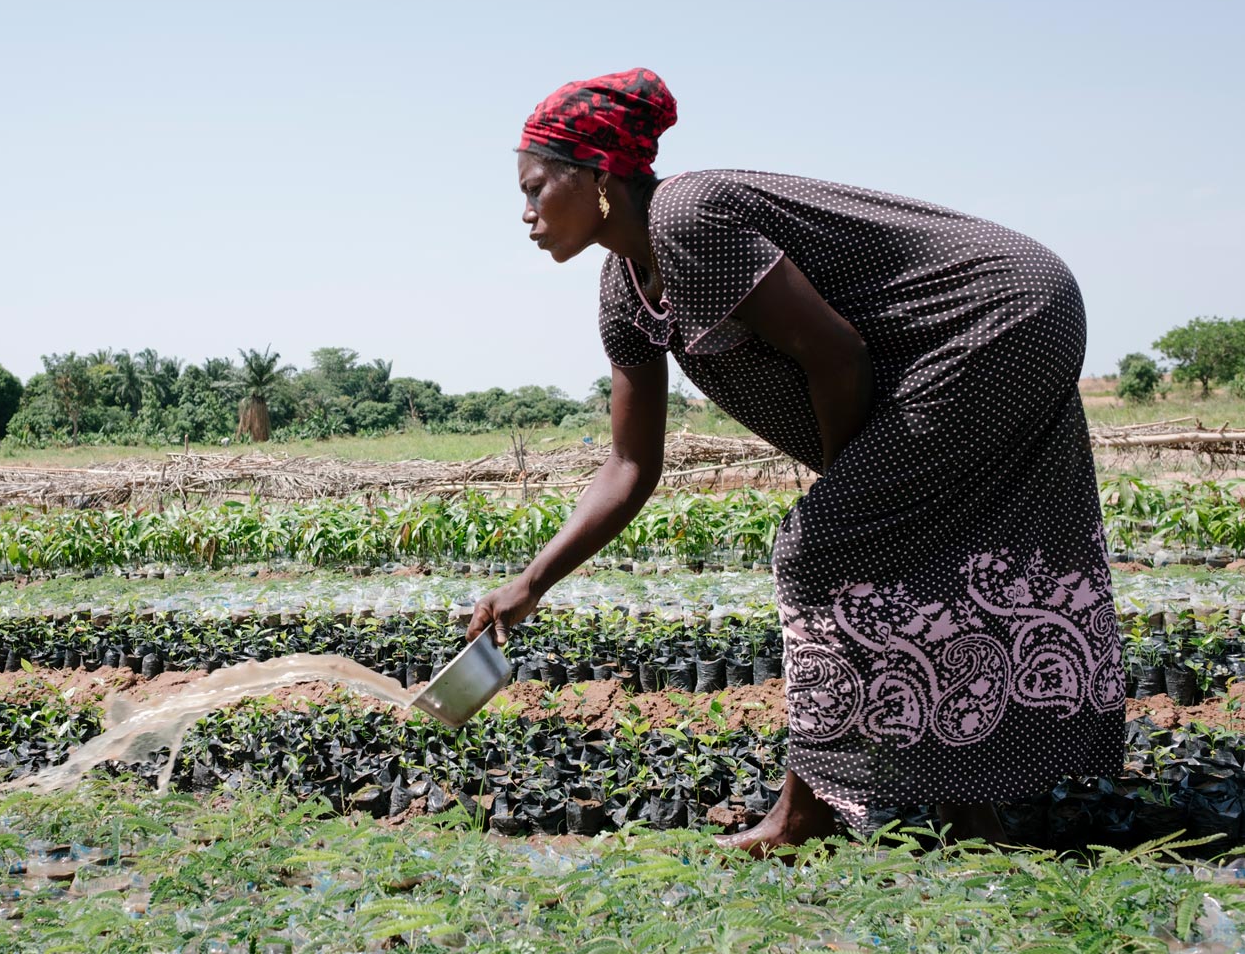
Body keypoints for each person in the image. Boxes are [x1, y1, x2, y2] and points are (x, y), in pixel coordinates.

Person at [465, 67, 1124, 855]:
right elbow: (628, 468)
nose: (527, 215)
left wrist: (850, 506)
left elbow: (836, 354)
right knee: (924, 559)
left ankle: (807, 814)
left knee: (819, 555)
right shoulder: (623, 290)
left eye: (537, 188)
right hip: (965, 340)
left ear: (600, 177)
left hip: (1001, 314)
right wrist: (530, 582)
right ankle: (968, 803)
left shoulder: (688, 217)